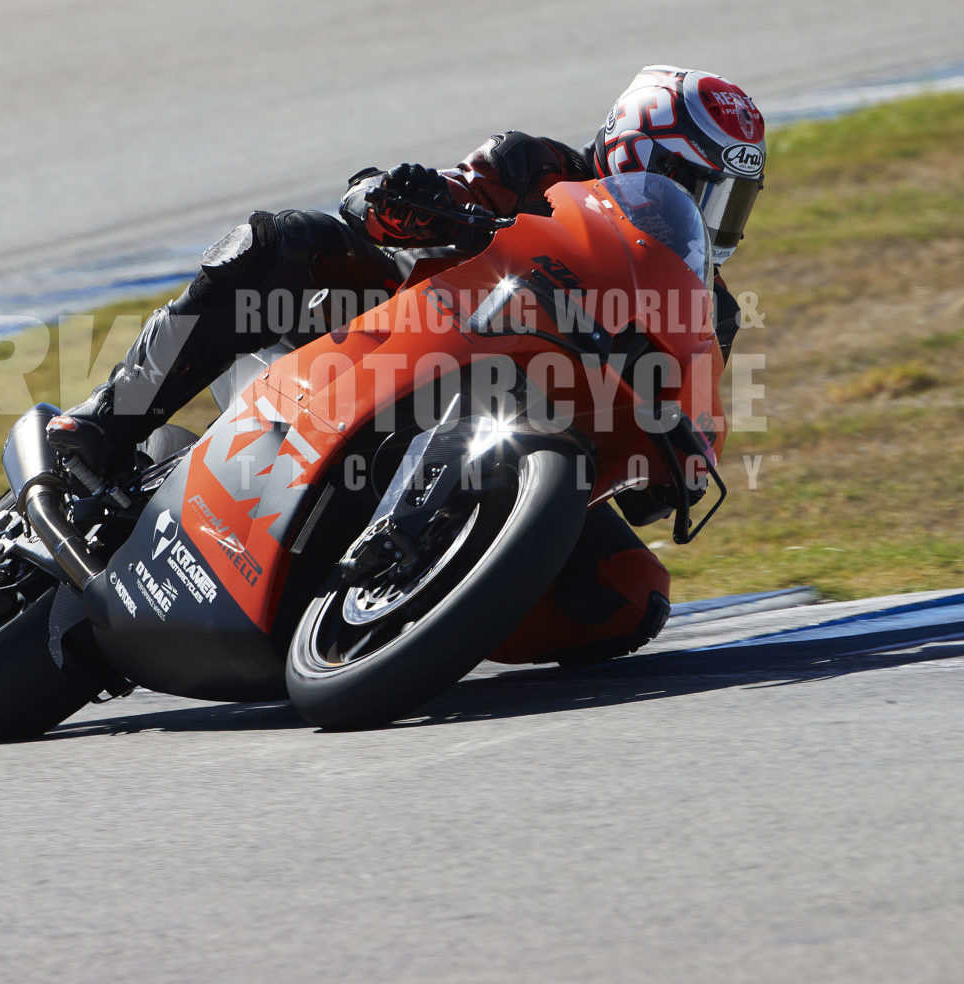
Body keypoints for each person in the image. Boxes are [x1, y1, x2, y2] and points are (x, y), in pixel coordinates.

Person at [50, 65, 766, 665]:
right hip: (400, 338)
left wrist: (681, 464)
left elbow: (685, 406)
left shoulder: (710, 307)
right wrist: (406, 201)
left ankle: (422, 617)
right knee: (279, 243)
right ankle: (103, 426)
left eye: (727, 201)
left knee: (628, 596)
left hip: (539, 437)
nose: (707, 215)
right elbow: (381, 202)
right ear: (630, 148)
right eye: (691, 183)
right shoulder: (534, 167)